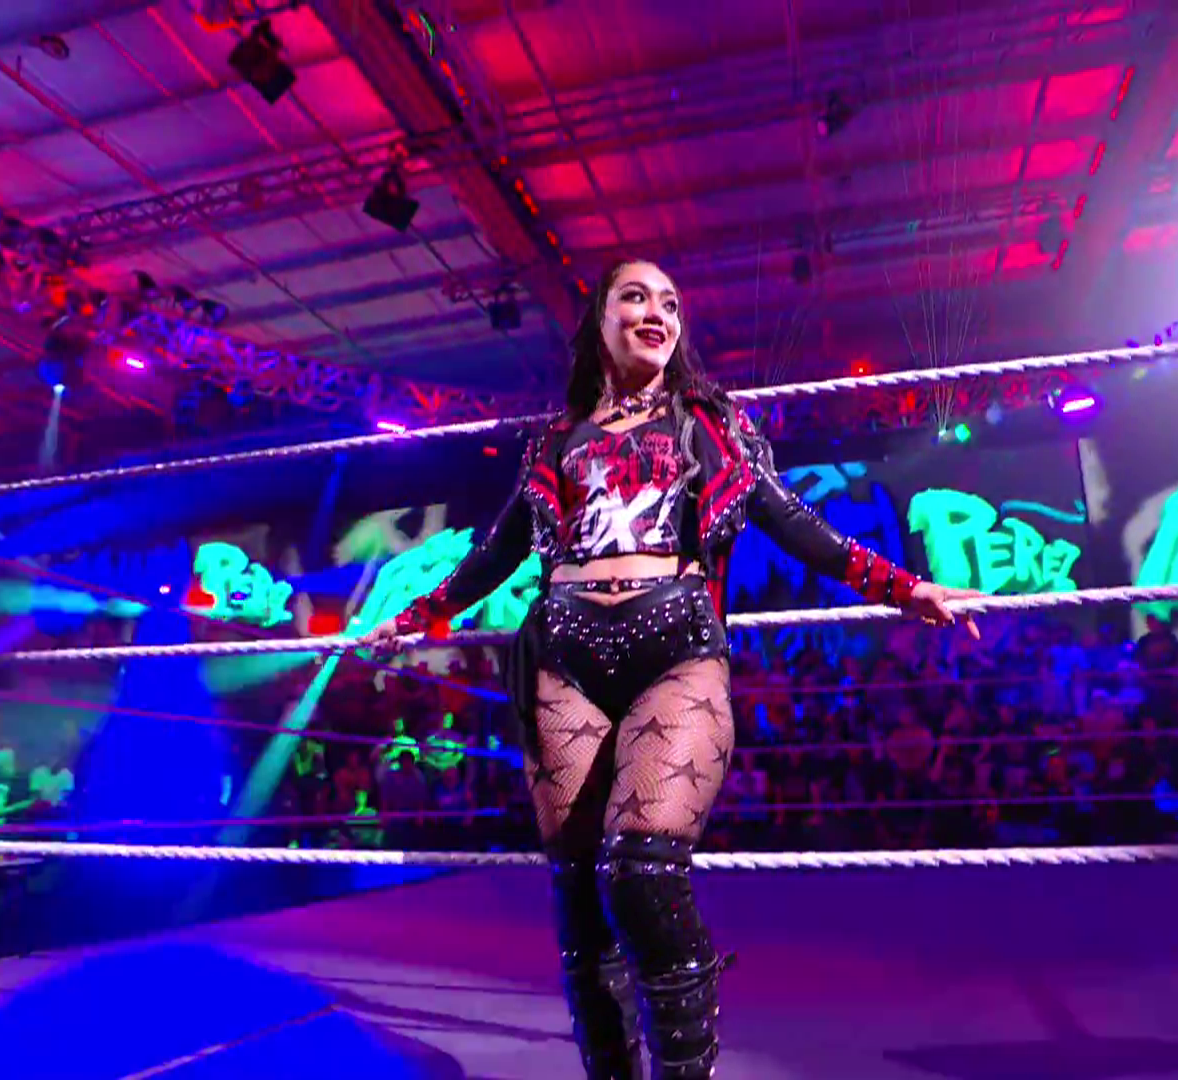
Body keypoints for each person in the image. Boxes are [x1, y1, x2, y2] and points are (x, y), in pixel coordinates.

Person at [361, 258, 980, 1078]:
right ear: (600, 321)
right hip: (564, 655)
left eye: (671, 304)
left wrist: (901, 587)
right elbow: (499, 548)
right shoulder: (555, 440)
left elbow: (789, 518)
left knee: (642, 868)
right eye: (636, 297)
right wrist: (415, 616)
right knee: (579, 894)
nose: (658, 313)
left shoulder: (709, 424)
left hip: (675, 646)